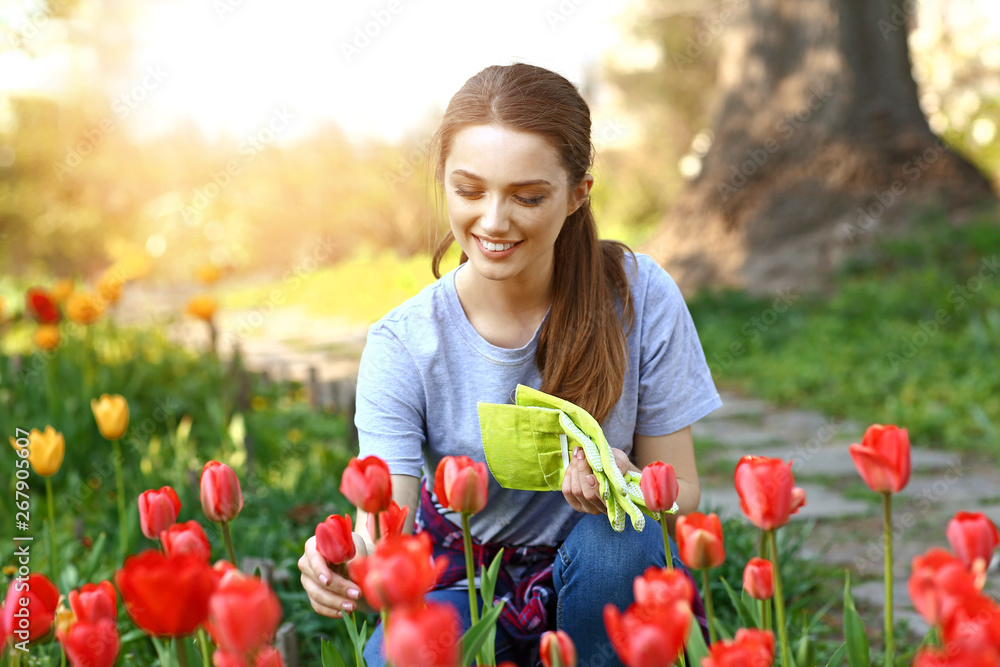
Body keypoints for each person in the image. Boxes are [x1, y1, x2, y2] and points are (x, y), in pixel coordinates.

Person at [298, 62, 722, 666]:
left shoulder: (639, 295)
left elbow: (684, 490)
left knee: (619, 543)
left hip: (604, 578)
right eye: (470, 191)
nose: (494, 221)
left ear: (578, 194)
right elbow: (382, 524)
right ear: (443, 181)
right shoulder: (405, 342)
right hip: (460, 579)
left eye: (528, 197)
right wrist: (342, 558)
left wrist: (629, 488)